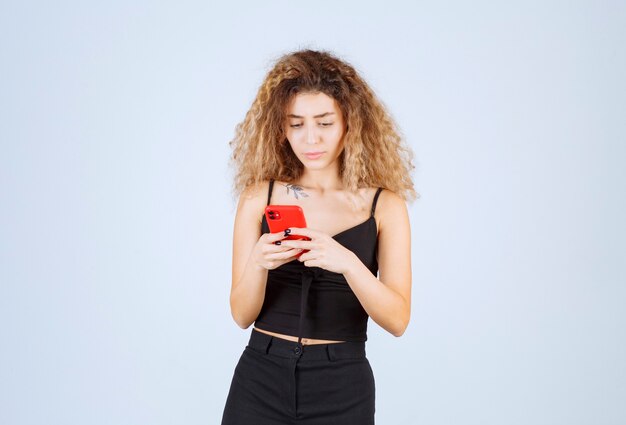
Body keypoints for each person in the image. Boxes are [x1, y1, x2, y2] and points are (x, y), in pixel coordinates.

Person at [221, 49, 417, 425]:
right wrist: (259, 264)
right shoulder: (258, 197)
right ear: (281, 128)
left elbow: (397, 320)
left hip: (341, 383)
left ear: (350, 124)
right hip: (260, 376)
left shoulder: (384, 206)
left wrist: (348, 263)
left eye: (325, 123)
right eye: (296, 124)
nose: (311, 138)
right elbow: (241, 315)